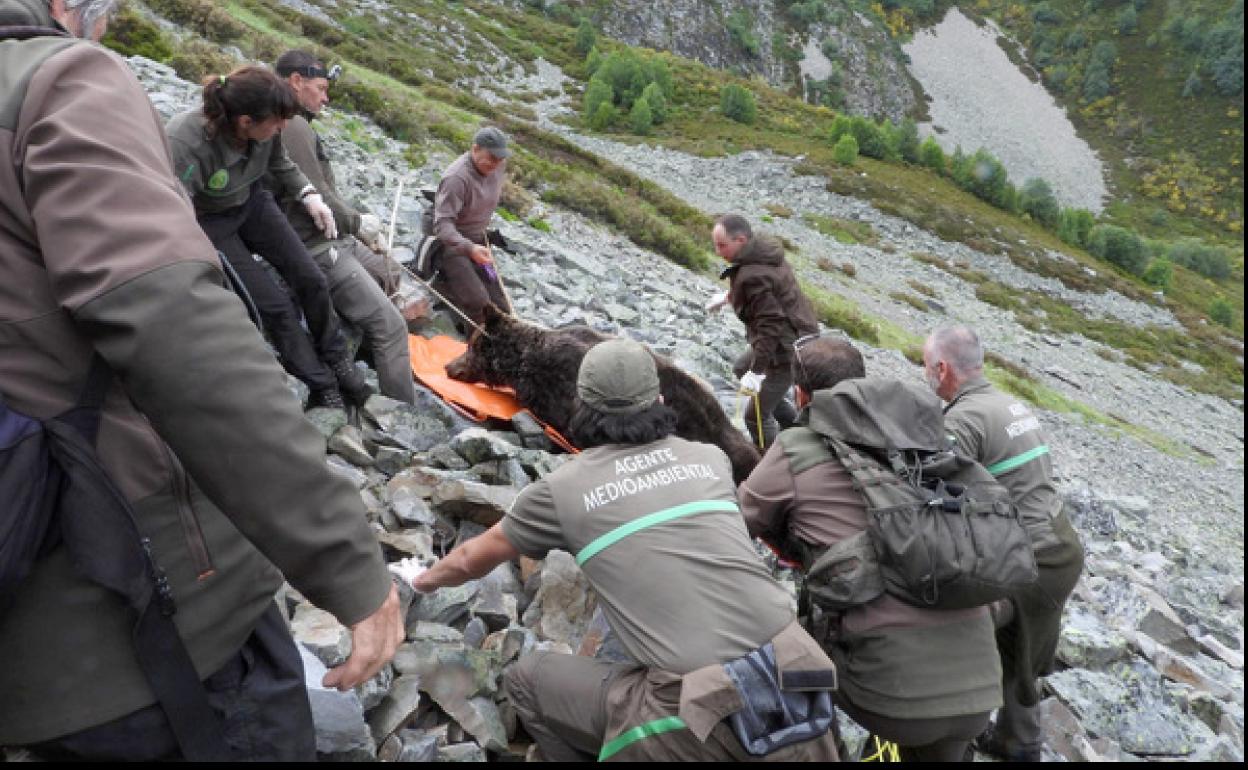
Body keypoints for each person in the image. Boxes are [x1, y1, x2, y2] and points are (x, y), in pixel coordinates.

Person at [0, 0, 402, 759]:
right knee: (270, 304)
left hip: (26, 650)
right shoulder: (59, 82)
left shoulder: (269, 144)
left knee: (303, 293)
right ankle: (329, 385)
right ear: (66, 7)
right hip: (136, 627)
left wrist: (320, 200)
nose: (109, 25)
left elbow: (278, 177)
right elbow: (171, 320)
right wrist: (346, 560)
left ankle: (338, 380)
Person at [392, 339, 841, 762]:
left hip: (700, 709)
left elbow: (472, 559)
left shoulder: (562, 489)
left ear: (580, 407)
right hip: (801, 682)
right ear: (662, 403)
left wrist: (421, 579)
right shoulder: (710, 459)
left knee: (525, 680)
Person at [738, 334, 1004, 762]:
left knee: (775, 647)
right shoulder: (921, 439)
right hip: (982, 692)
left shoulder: (797, 446)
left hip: (892, 701)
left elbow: (738, 521)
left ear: (801, 395)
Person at [166, 65, 371, 410]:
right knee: (273, 306)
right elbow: (174, 206)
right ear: (245, 122)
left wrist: (308, 194)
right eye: (276, 123)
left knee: (311, 278)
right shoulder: (186, 141)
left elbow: (280, 162)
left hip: (253, 201)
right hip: (210, 222)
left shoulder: (269, 124)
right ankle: (320, 383)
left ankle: (337, 357)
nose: (282, 128)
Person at [923, 326, 1084, 762]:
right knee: (1021, 647)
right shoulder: (1008, 403)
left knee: (960, 630)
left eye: (926, 366)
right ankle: (1018, 743)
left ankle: (951, 737)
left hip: (1031, 558)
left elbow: (924, 485)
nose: (925, 375)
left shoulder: (963, 419)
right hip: (1061, 546)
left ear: (942, 368)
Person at [272, 50, 416, 405]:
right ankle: (401, 413)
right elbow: (316, 193)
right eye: (320, 88)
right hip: (315, 246)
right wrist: (357, 223)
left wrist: (355, 225)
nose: (326, 97)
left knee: (391, 272)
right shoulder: (294, 126)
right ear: (295, 82)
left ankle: (369, 354)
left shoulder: (297, 123)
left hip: (333, 237)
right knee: (392, 327)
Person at [709, 214, 818, 449]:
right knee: (741, 369)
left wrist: (758, 371)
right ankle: (795, 427)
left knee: (754, 416)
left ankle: (773, 462)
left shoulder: (754, 274)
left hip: (789, 348)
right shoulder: (763, 251)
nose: (718, 251)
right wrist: (729, 298)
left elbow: (771, 325)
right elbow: (772, 293)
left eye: (722, 245)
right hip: (795, 331)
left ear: (740, 240)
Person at [422, 126, 513, 330]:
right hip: (450, 244)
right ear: (475, 149)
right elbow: (442, 225)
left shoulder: (498, 166)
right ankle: (479, 350)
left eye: (500, 158)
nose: (497, 163)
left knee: (502, 307)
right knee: (481, 306)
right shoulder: (457, 178)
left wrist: (477, 243)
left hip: (477, 240)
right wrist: (469, 248)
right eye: (492, 157)